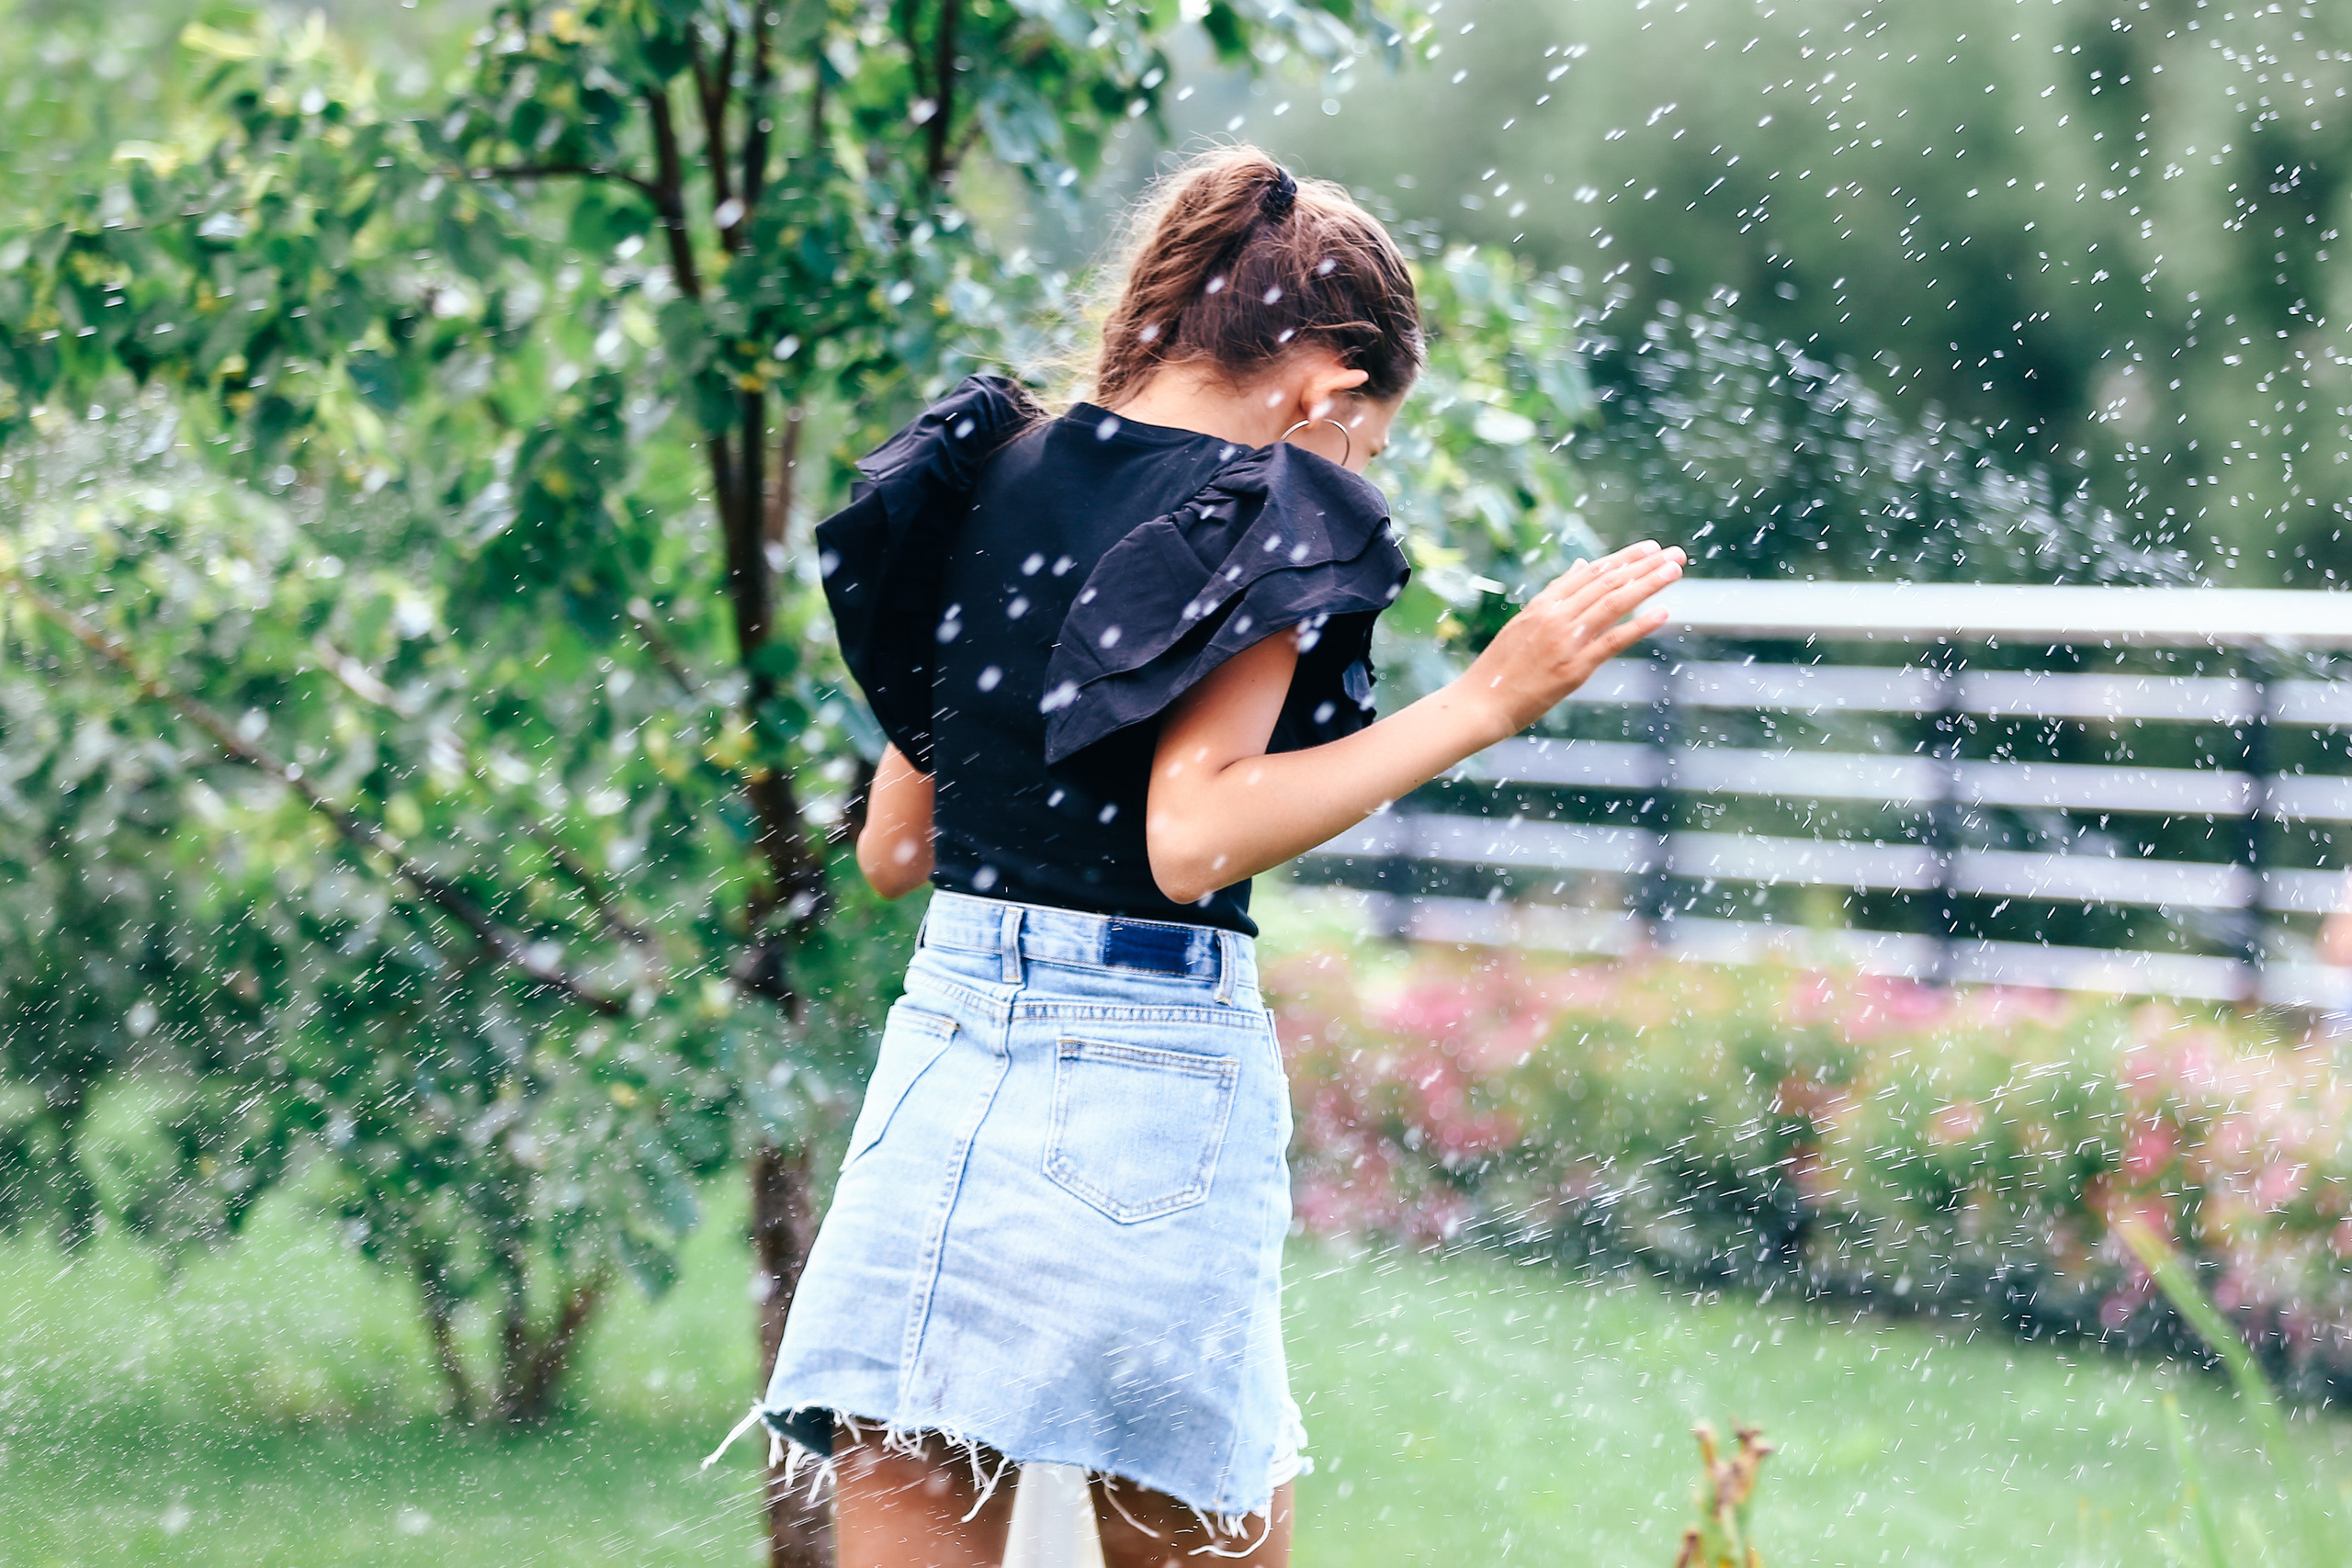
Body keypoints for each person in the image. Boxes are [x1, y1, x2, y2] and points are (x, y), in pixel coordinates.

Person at [731, 146, 1684, 1567]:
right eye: (1368, 444)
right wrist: (1488, 701)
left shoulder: (984, 472)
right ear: (1324, 387)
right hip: (1141, 1071)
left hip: (944, 1062)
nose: (1355, 476)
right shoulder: (1269, 507)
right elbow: (1191, 838)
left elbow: (892, 844)